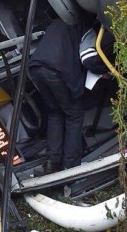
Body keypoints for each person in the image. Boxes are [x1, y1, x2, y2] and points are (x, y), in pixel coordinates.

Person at [27, 19, 89, 174]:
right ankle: (71, 167)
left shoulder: (56, 23)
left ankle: (52, 163)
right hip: (55, 71)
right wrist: (103, 71)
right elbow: (90, 58)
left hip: (35, 68)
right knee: (74, 116)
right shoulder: (87, 27)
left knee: (55, 113)